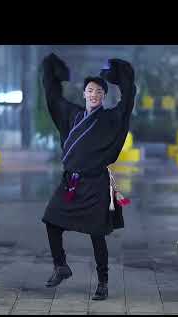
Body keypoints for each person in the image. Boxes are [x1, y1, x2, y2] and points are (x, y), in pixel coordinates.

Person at [41, 53, 136, 301]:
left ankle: (103, 282)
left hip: (96, 184)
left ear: (103, 96)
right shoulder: (71, 115)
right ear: (84, 93)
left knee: (97, 234)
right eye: (90, 91)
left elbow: (127, 104)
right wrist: (51, 72)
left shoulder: (110, 118)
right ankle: (61, 266)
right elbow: (53, 98)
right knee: (51, 220)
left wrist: (120, 75)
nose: (94, 95)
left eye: (98, 92)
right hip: (70, 182)